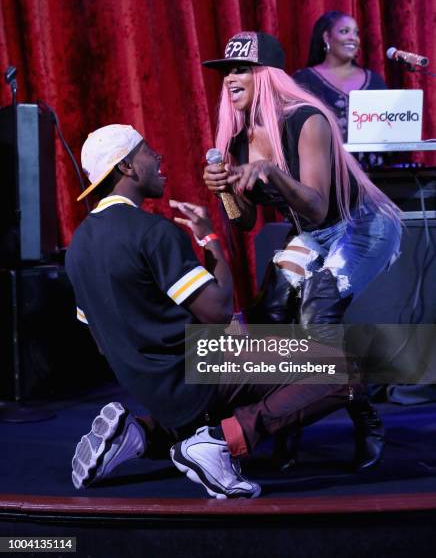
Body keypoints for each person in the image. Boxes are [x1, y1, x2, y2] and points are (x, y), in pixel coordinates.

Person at [65, 124, 356, 499]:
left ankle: (140, 434)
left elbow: (104, 344)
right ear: (128, 168)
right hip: (199, 370)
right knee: (345, 369)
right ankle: (222, 441)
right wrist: (210, 239)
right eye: (148, 152)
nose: (158, 158)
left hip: (153, 389)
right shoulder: (151, 232)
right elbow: (217, 311)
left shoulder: (78, 247)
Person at [202, 31, 402, 471]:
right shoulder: (238, 138)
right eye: (226, 71)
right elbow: (245, 221)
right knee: (269, 315)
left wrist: (272, 172)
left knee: (316, 318)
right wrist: (223, 191)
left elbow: (315, 204)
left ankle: (368, 421)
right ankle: (285, 434)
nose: (230, 78)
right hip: (315, 233)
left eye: (241, 69)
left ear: (267, 75)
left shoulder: (306, 119)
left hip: (361, 227)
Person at [292, 10, 386, 143]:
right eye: (344, 31)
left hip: (374, 163)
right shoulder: (304, 80)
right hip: (325, 163)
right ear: (326, 37)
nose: (353, 38)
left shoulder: (375, 81)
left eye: (356, 33)